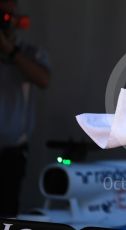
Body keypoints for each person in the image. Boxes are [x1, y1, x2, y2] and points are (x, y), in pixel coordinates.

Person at [0, 0, 50, 217]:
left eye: (8, 17)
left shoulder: (30, 52)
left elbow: (43, 80)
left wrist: (10, 52)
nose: (4, 22)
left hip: (11, 153)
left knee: (7, 212)